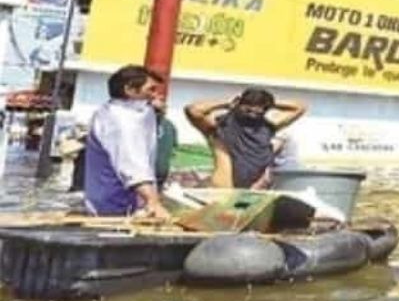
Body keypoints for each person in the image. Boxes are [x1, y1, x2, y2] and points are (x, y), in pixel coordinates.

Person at [82, 66, 170, 218]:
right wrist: (152, 201)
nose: (156, 95)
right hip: (113, 208)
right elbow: (130, 164)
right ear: (129, 90)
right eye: (151, 89)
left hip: (133, 202)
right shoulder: (117, 120)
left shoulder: (137, 110)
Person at [184, 89, 307, 189]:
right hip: (221, 188)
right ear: (239, 105)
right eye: (248, 108)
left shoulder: (268, 126)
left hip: (248, 189)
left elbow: (299, 107)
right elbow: (193, 110)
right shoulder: (220, 125)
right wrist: (227, 102)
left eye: (258, 109)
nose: (253, 112)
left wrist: (269, 102)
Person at [153, 97, 179, 189]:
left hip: (159, 173)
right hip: (144, 175)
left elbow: (173, 150)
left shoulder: (170, 126)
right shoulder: (140, 125)